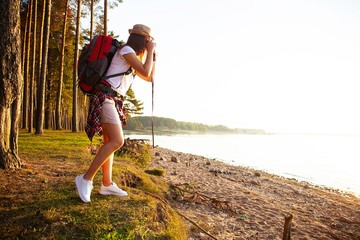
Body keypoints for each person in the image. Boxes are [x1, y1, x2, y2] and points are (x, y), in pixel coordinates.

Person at [75, 24, 156, 203]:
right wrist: (150, 52)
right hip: (105, 97)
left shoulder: (130, 55)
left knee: (109, 142)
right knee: (117, 141)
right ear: (143, 40)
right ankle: (85, 179)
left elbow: (149, 76)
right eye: (148, 41)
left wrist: (153, 56)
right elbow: (145, 70)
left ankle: (107, 184)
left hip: (112, 99)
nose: (149, 44)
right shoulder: (126, 50)